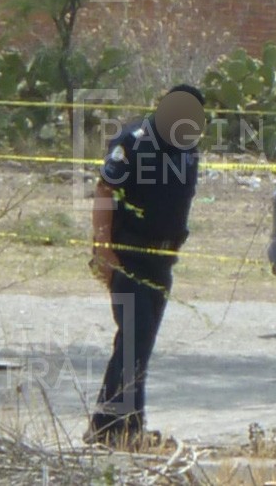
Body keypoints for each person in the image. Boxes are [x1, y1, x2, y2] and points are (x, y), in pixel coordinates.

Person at [84, 84, 207, 450]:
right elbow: (106, 190)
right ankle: (115, 427)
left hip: (162, 260)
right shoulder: (134, 142)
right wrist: (103, 248)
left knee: (140, 344)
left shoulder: (186, 148)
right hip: (130, 255)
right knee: (133, 340)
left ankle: (119, 425)